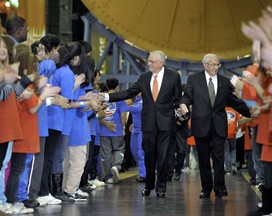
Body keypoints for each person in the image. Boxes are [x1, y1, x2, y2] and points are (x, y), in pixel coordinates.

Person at [97, 50, 182, 197]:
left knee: (163, 157)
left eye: (152, 62)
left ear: (161, 62)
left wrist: (179, 110)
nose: (148, 64)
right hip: (147, 124)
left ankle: (161, 188)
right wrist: (106, 96)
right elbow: (128, 93)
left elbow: (177, 98)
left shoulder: (173, 77)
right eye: (148, 61)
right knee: (149, 156)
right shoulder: (143, 77)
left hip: (166, 124)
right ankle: (149, 186)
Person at [179, 53, 250, 199]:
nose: (215, 67)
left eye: (217, 65)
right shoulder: (194, 79)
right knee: (203, 159)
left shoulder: (224, 81)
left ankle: (220, 188)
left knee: (219, 158)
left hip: (219, 125)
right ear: (205, 65)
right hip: (201, 124)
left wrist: (253, 111)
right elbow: (187, 96)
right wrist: (183, 104)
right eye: (212, 64)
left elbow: (233, 101)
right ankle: (206, 188)